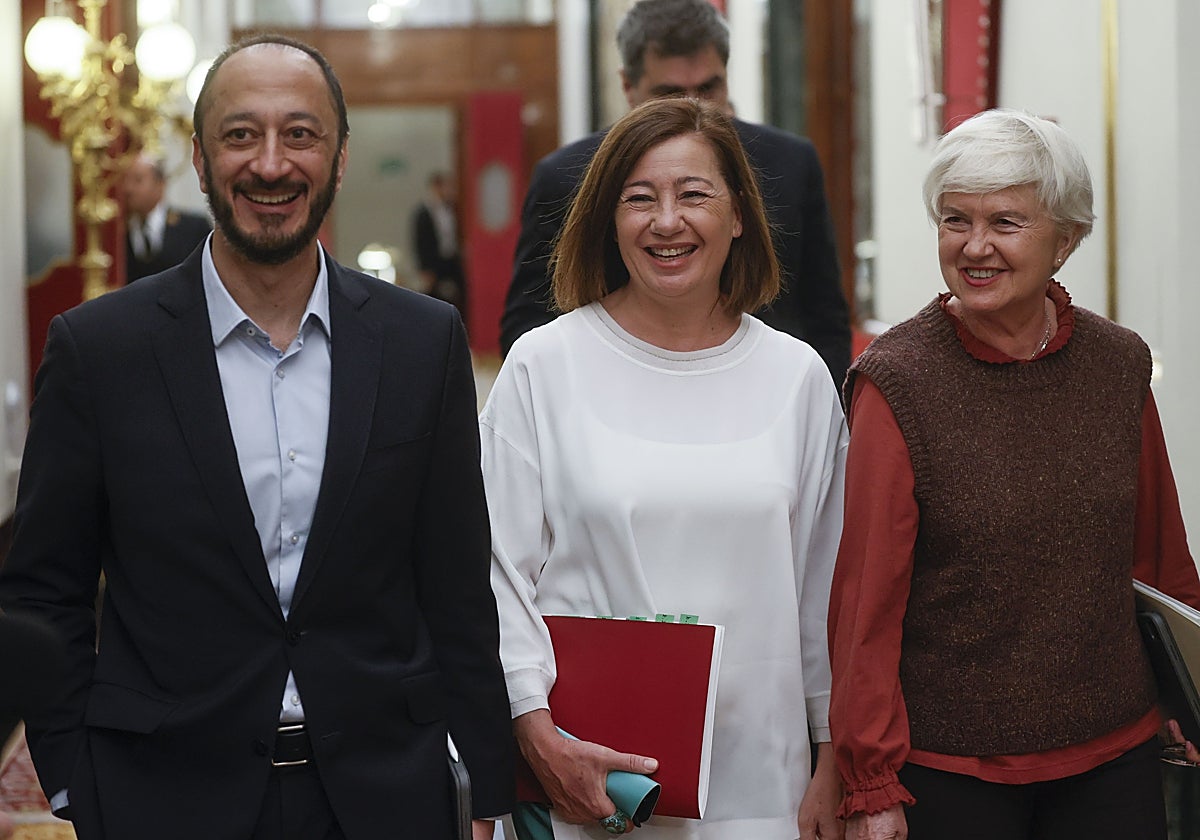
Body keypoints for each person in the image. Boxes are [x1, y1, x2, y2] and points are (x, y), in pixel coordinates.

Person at [0, 34, 513, 840]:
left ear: (339, 157)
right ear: (200, 161)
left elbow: (455, 587)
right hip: (165, 797)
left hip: (384, 795)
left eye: (300, 134)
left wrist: (484, 792)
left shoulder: (422, 342)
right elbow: (44, 589)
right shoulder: (99, 350)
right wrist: (75, 784)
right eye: (241, 134)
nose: (271, 164)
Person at [828, 108, 1200, 840]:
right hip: (951, 771)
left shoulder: (1119, 364)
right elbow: (865, 606)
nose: (975, 247)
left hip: (1116, 757)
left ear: (1066, 238)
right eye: (954, 220)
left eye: (1005, 222)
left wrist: (1186, 695)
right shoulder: (897, 381)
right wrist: (870, 781)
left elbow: (1159, 558)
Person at [481, 97, 848, 839]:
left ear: (738, 215)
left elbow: (826, 591)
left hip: (762, 786)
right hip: (590, 785)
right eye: (639, 198)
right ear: (608, 220)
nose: (667, 222)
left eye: (694, 195)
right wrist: (533, 728)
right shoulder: (544, 366)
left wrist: (833, 759)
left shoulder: (797, 377)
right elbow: (497, 571)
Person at [499, 0, 851, 385]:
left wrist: (815, 405)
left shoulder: (789, 164)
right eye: (669, 93)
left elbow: (825, 316)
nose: (692, 107)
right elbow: (529, 319)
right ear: (628, 87)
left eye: (708, 88)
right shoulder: (567, 177)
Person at [121, 152, 212, 282]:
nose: (128, 188)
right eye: (125, 180)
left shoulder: (193, 228)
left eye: (138, 180)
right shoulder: (120, 232)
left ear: (160, 184)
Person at [413, 171, 466, 312]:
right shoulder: (424, 212)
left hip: (450, 261)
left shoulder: (451, 210)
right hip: (433, 263)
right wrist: (425, 268)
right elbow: (420, 242)